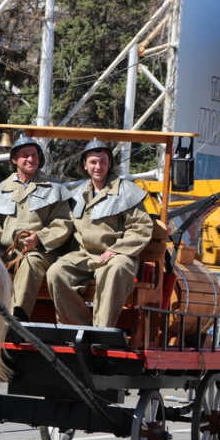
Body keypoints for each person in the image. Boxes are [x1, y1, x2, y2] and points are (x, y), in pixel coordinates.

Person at [46, 139, 153, 327]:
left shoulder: (126, 191)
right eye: (93, 162)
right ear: (85, 165)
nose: (98, 166)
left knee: (116, 269)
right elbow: (62, 225)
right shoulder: (76, 195)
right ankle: (77, 327)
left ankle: (101, 330)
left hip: (116, 255)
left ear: (109, 163)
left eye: (103, 161)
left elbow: (141, 226)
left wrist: (119, 249)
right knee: (57, 272)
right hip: (84, 255)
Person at [0, 136, 72, 321]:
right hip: (6, 251)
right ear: (14, 160)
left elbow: (63, 222)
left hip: (39, 251)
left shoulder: (54, 188)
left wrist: (40, 237)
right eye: (25, 155)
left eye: (34, 155)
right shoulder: (2, 189)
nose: (31, 159)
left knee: (30, 263)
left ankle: (17, 317)